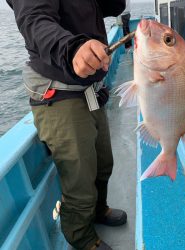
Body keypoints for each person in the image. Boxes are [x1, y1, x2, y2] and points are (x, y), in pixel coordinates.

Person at [6, 0, 127, 249]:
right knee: (79, 176)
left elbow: (113, 6)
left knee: (103, 163)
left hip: (90, 89)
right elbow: (34, 20)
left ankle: (97, 210)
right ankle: (80, 236)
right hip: (58, 92)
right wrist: (72, 49)